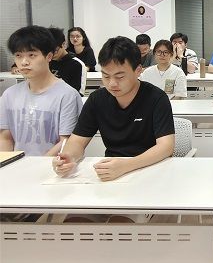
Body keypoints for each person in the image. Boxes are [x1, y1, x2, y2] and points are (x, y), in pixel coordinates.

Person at [53, 36, 175, 184]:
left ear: (138, 71)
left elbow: (166, 146)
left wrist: (127, 165)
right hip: (112, 171)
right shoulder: (97, 99)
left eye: (120, 77)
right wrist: (68, 157)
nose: (112, 84)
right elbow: (77, 141)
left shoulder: (156, 98)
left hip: (151, 169)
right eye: (106, 76)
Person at [0, 26, 82, 156]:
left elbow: (66, 142)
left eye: (31, 55)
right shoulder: (9, 95)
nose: (24, 62)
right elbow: (5, 138)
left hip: (52, 165)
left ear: (49, 56)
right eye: (18, 55)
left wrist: (38, 165)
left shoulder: (67, 95)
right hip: (17, 165)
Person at [48, 27, 87, 95]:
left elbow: (77, 94)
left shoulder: (77, 64)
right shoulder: (46, 61)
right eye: (48, 51)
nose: (52, 54)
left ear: (64, 44)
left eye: (55, 50)